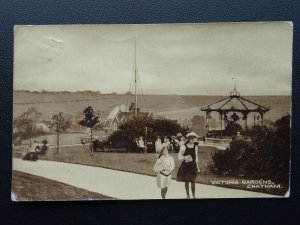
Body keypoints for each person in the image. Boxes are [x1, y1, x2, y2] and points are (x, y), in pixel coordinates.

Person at [176, 132, 200, 199]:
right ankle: (187, 195)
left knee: (193, 181)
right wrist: (185, 157)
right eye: (191, 139)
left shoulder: (196, 147)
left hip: (193, 166)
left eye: (194, 139)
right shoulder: (183, 146)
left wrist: (197, 167)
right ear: (188, 139)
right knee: (186, 181)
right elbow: (179, 156)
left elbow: (196, 157)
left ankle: (194, 195)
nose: (192, 140)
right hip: (186, 165)